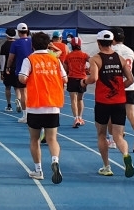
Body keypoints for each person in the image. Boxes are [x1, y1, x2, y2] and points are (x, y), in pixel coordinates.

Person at [86, 30, 134, 177]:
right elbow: (131, 79)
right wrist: (119, 88)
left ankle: (107, 166)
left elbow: (94, 78)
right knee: (118, 136)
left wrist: (84, 81)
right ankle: (126, 155)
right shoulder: (120, 58)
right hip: (119, 101)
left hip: (103, 101)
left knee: (102, 134)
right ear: (112, 42)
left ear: (98, 42)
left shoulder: (95, 59)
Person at [19, 31, 67, 183]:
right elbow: (65, 78)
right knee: (52, 139)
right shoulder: (55, 60)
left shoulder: (30, 59)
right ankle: (55, 160)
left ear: (32, 45)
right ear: (48, 44)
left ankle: (38, 170)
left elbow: (22, 78)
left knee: (34, 139)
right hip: (53, 105)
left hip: (35, 106)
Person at [112, 28, 134, 152]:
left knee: (113, 115)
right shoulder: (130, 50)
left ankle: (112, 139)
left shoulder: (111, 51)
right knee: (131, 114)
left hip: (117, 86)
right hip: (130, 86)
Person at [6, 23, 33, 121]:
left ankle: (25, 115)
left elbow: (10, 58)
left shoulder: (15, 43)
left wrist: (8, 67)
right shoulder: (32, 42)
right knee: (32, 93)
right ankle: (32, 113)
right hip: (32, 71)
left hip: (21, 71)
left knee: (23, 93)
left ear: (18, 32)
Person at [65, 36, 90, 128]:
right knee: (80, 99)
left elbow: (65, 67)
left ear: (72, 45)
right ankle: (80, 117)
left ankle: (75, 118)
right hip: (82, 79)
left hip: (71, 78)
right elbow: (92, 61)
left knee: (73, 100)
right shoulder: (84, 55)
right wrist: (89, 70)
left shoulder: (69, 55)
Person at [0, 28, 18, 111]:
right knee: (17, 87)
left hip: (8, 69)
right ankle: (19, 102)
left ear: (6, 35)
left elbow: (2, 60)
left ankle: (9, 105)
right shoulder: (18, 44)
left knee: (7, 87)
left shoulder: (4, 46)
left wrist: (2, 72)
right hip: (17, 68)